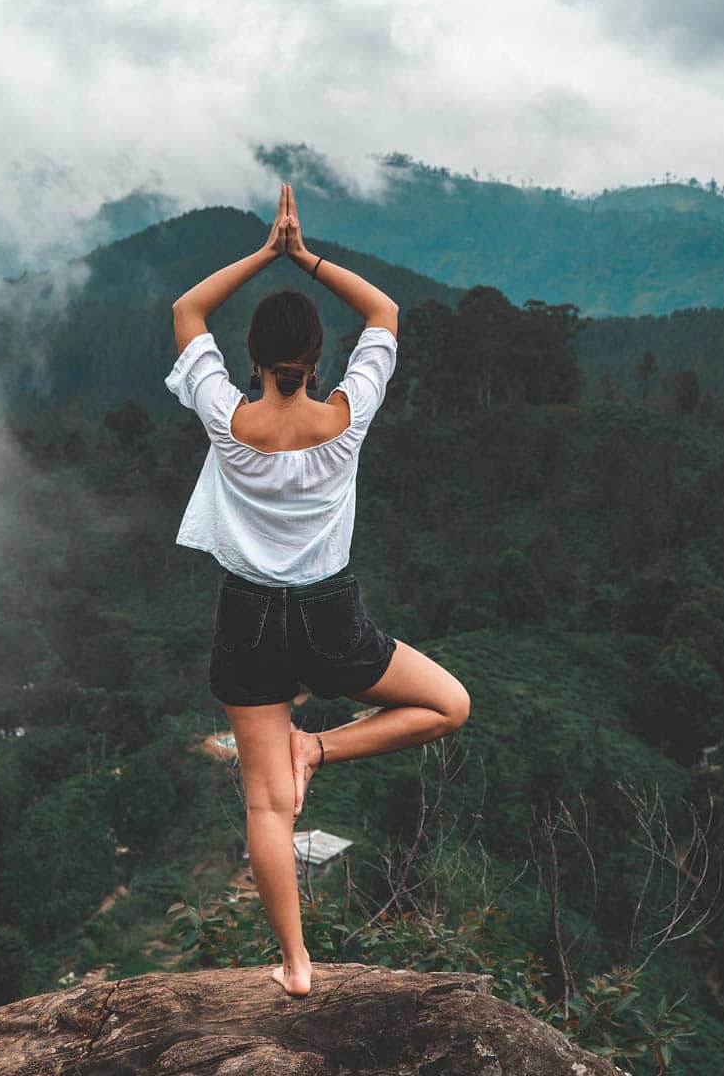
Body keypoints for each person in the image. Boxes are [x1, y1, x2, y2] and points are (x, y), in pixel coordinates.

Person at [166, 183, 471, 998]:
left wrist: (265, 252)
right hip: (332, 619)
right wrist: (308, 257)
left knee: (269, 809)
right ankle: (324, 747)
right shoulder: (349, 413)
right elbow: (387, 313)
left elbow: (187, 312)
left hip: (248, 621)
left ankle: (297, 966)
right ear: (317, 359)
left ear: (256, 362)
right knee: (449, 705)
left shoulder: (226, 419)